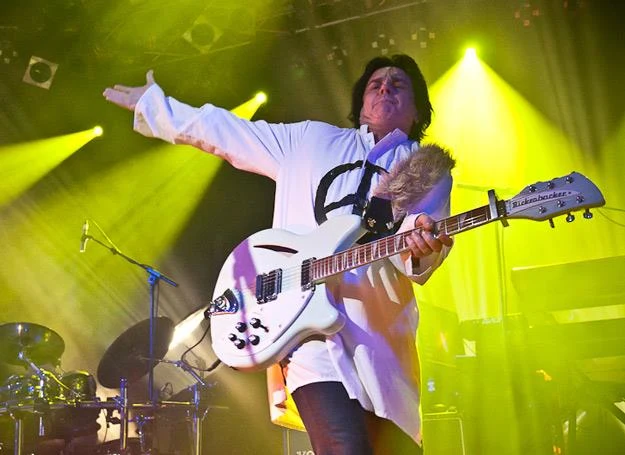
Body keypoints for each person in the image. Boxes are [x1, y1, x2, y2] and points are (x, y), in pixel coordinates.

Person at [103, 53, 454, 454]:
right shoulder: (310, 140)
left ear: (418, 109)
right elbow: (228, 131)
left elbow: (415, 252)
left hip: (377, 337)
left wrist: (422, 246)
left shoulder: (428, 169)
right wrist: (156, 106)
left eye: (398, 84)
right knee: (343, 446)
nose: (385, 88)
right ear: (360, 105)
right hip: (305, 330)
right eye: (376, 84)